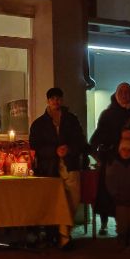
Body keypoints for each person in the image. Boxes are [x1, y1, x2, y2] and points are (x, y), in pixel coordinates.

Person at [90, 82, 130, 235]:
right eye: (121, 91)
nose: (124, 94)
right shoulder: (107, 115)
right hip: (113, 161)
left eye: (127, 91)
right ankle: (113, 228)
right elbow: (97, 138)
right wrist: (99, 157)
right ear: (116, 94)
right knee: (111, 194)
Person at [28, 87, 86, 250]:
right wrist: (54, 151)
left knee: (73, 198)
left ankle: (63, 232)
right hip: (50, 167)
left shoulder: (71, 120)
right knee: (54, 201)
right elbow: (35, 146)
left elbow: (80, 141)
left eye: (58, 98)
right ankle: (61, 236)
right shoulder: (39, 124)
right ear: (48, 101)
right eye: (53, 98)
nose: (56, 101)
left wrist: (69, 149)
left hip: (69, 165)